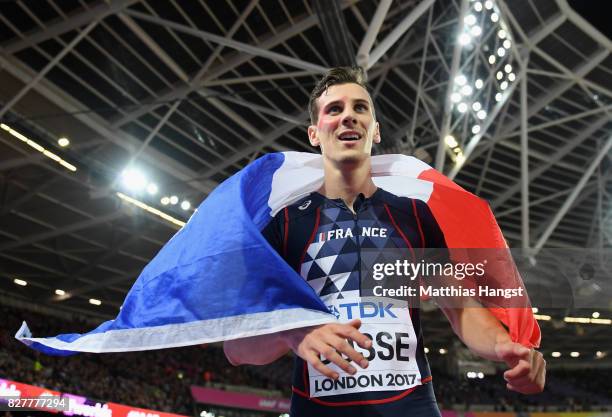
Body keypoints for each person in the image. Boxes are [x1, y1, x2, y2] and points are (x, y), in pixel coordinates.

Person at [224, 67, 545, 416]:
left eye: (360, 108)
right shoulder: (284, 225)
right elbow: (236, 347)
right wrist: (292, 333)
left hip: (412, 407)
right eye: (335, 109)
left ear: (374, 131)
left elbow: (462, 309)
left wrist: (505, 347)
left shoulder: (414, 216)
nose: (348, 116)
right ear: (314, 134)